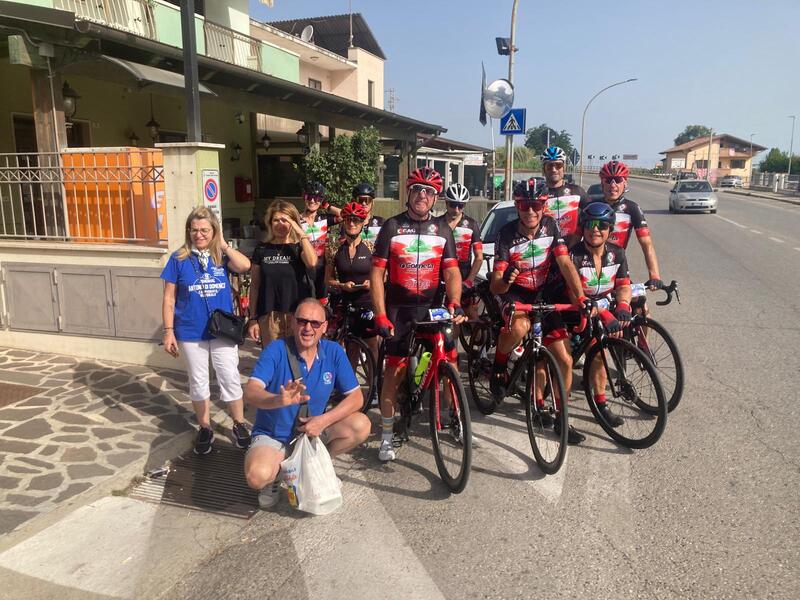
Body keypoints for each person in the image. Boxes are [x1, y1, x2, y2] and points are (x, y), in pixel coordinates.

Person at [370, 167, 466, 462]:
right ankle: (387, 436)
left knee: (450, 361)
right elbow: (376, 275)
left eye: (429, 192)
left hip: (431, 307)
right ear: (408, 193)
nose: (422, 195)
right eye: (417, 190)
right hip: (399, 309)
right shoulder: (392, 226)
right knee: (394, 372)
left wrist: (455, 301)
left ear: (435, 198)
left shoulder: (443, 229)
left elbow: (452, 272)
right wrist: (380, 314)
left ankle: (455, 419)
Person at [243, 298, 371, 509]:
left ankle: (316, 465)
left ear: (325, 327)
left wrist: (323, 421)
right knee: (257, 476)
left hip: (312, 432)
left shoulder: (333, 352)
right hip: (275, 436)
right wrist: (277, 400)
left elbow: (356, 397)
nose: (308, 328)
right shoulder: (276, 350)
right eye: (302, 321)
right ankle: (276, 478)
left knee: (361, 425)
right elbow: (251, 391)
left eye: (315, 323)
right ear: (293, 323)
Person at [489, 180, 589, 445]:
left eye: (535, 205)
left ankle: (561, 418)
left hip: (542, 293)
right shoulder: (506, 234)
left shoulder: (551, 226)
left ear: (544, 205)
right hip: (514, 292)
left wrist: (580, 297)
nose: (530, 211)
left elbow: (565, 262)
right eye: (524, 205)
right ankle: (499, 363)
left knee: (564, 360)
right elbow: (495, 285)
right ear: (517, 206)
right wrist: (507, 280)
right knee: (520, 328)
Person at [161, 207, 252, 454]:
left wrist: (223, 246)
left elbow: (245, 266)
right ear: (188, 231)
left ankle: (239, 423)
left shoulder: (221, 256)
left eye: (204, 230)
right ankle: (205, 427)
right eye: (194, 230)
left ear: (214, 231)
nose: (199, 235)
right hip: (191, 331)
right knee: (198, 380)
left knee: (229, 376)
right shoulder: (178, 259)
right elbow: (169, 298)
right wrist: (168, 331)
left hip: (222, 330)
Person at [568, 201, 633, 427]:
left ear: (610, 229)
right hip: (573, 312)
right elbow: (573, 293)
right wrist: (603, 313)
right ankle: (554, 408)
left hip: (597, 312)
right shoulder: (573, 255)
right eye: (590, 224)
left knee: (599, 352)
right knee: (563, 361)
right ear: (583, 227)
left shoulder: (617, 253)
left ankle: (601, 403)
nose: (595, 230)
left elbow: (623, 285)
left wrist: (623, 305)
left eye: (602, 225)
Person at [581, 160, 663, 292]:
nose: (613, 185)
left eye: (618, 180)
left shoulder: (632, 209)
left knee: (639, 302)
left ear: (625, 183)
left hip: (616, 267)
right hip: (587, 265)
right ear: (602, 183)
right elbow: (577, 236)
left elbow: (646, 244)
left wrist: (654, 276)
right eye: (608, 180)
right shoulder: (591, 206)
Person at [248, 201, 317, 347]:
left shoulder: (298, 248)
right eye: (276, 220)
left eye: (285, 220)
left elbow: (312, 262)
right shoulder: (261, 249)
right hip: (270, 316)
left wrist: (300, 233)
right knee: (274, 358)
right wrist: (253, 318)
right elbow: (255, 285)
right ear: (270, 223)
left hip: (297, 315)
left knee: (299, 357)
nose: (280, 224)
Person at [325, 201, 379, 366]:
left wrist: (372, 283)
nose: (352, 223)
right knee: (351, 349)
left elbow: (384, 276)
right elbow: (328, 279)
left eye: (356, 220)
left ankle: (375, 380)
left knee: (372, 346)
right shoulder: (334, 248)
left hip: (368, 303)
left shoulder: (372, 248)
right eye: (348, 219)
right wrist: (342, 285)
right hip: (347, 304)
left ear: (362, 223)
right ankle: (351, 382)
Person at [436, 183, 483, 320]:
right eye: (453, 205)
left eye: (460, 206)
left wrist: (470, 280)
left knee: (471, 314)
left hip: (464, 276)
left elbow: (479, 257)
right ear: (446, 202)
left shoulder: (472, 225)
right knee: (445, 317)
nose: (456, 209)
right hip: (440, 276)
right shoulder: (436, 224)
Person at [300, 181, 341, 303]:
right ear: (304, 198)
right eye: (309, 197)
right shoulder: (297, 219)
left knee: (322, 303)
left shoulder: (323, 219)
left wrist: (327, 206)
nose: (312, 201)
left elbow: (344, 215)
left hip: (321, 268)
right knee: (306, 303)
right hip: (303, 267)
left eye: (317, 198)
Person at [540, 146, 589, 245]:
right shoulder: (539, 194)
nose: (554, 169)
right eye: (549, 166)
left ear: (564, 167)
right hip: (547, 248)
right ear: (544, 169)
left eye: (558, 165)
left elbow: (591, 216)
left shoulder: (577, 191)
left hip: (574, 248)